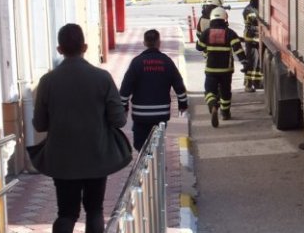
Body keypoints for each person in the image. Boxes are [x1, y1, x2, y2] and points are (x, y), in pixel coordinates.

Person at [32, 24, 128, 233]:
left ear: (59, 49)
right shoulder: (102, 78)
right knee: (94, 210)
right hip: (96, 155)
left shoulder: (47, 81)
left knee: (66, 213)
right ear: (85, 47)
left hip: (62, 159)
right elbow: (119, 120)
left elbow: (39, 124)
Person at [120, 29, 188, 151]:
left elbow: (126, 88)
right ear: (158, 42)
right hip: (161, 113)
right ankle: (156, 164)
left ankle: (148, 163)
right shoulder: (166, 62)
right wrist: (183, 104)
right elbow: (179, 85)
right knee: (158, 141)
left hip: (141, 114)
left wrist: (123, 106)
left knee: (140, 144)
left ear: (145, 42)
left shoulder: (137, 63)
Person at [196, 7, 248, 127]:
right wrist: (244, 62)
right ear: (225, 19)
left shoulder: (207, 33)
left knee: (209, 90)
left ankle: (213, 104)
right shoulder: (230, 33)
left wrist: (201, 41)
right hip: (226, 70)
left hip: (211, 69)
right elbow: (238, 50)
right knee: (225, 92)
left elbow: (199, 47)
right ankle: (225, 113)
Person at [242, 0, 262, 92]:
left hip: (259, 39)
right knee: (252, 63)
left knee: (258, 63)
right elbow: (255, 21)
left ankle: (257, 83)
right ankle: (248, 85)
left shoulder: (258, 8)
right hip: (251, 40)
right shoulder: (248, 10)